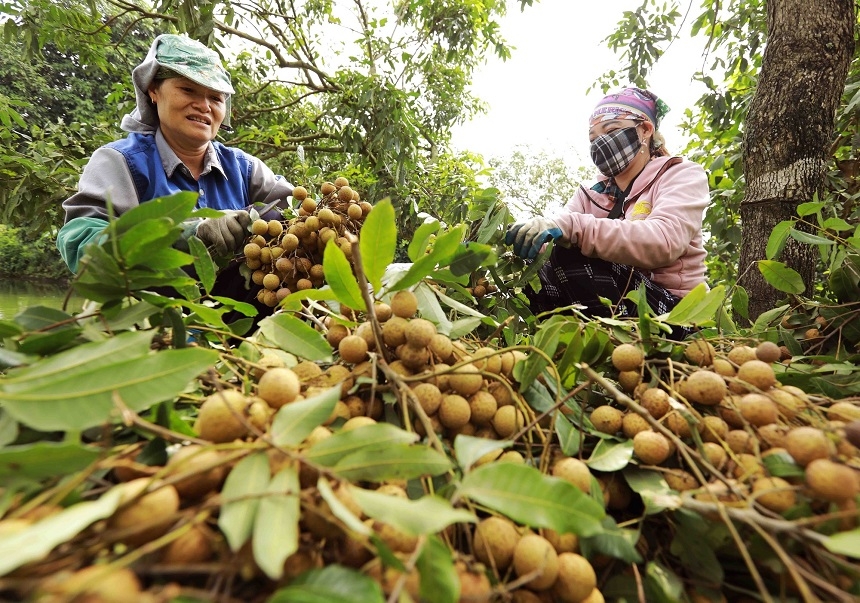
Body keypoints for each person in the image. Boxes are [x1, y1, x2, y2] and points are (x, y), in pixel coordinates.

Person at [57, 34, 294, 324]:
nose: (204, 105)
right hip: (153, 329)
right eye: (188, 90)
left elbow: (294, 211)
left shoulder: (244, 168)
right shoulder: (120, 162)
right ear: (153, 91)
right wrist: (186, 235)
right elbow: (82, 245)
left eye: (215, 97)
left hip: (241, 333)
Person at [505, 87, 709, 335]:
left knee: (572, 251)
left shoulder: (680, 174)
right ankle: (571, 346)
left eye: (611, 131)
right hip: (617, 307)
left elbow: (664, 242)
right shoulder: (590, 195)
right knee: (536, 266)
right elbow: (555, 240)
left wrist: (570, 228)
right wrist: (527, 241)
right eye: (593, 138)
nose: (600, 143)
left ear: (645, 130)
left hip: (676, 314)